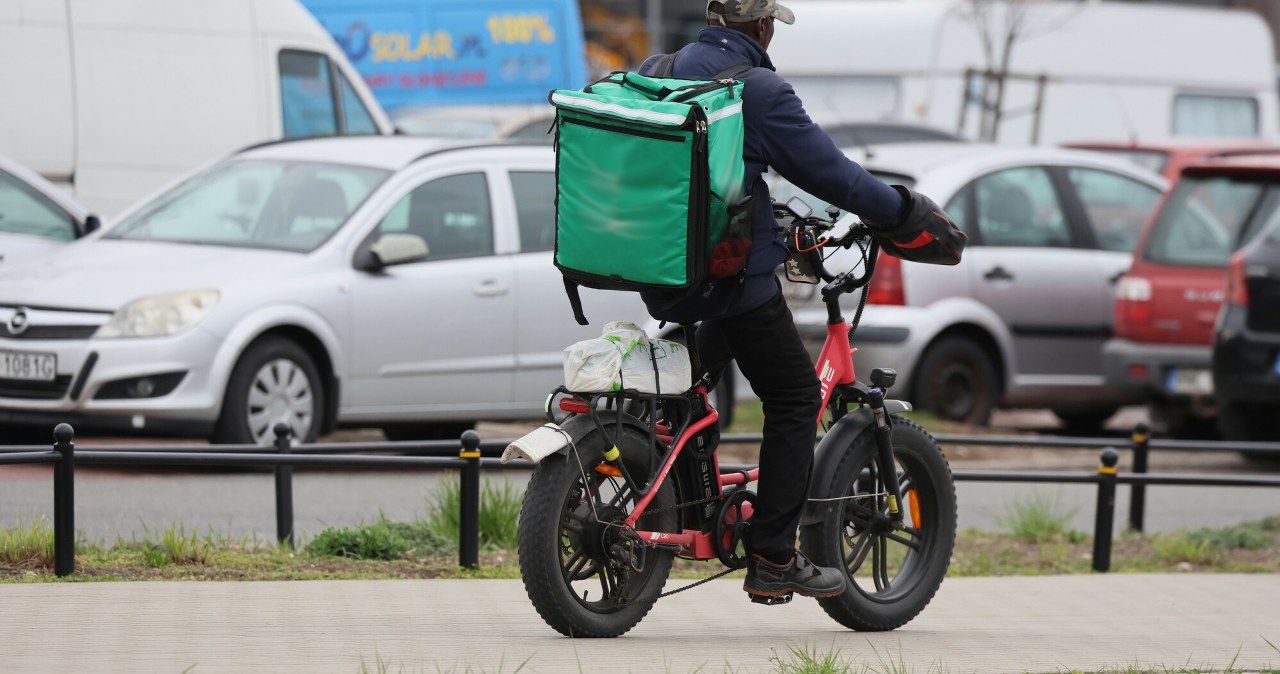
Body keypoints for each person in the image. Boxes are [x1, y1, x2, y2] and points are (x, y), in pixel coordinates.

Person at [636, 0, 963, 600]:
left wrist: (773, 227)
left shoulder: (660, 70)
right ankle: (773, 558)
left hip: (666, 270)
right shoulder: (756, 91)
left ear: (713, 19)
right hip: (731, 281)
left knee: (691, 382)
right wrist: (905, 213)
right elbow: (832, 174)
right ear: (761, 27)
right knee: (791, 399)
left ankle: (666, 475)